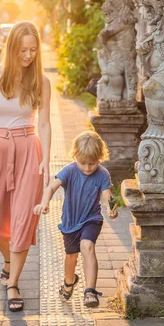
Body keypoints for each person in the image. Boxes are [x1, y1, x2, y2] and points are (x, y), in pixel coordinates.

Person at [0, 21, 51, 312]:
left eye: (33, 50)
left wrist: (47, 159)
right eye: (23, 49)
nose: (28, 56)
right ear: (11, 48)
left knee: (22, 220)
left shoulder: (41, 81)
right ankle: (8, 261)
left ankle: (13, 283)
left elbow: (43, 122)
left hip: (28, 149)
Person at [33, 131, 118, 308]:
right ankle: (69, 282)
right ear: (75, 157)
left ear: (100, 158)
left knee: (87, 246)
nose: (87, 168)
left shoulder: (102, 174)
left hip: (91, 219)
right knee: (71, 256)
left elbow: (107, 196)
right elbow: (51, 187)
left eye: (92, 164)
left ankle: (90, 292)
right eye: (83, 163)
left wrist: (111, 209)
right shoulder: (70, 170)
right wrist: (44, 203)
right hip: (70, 222)